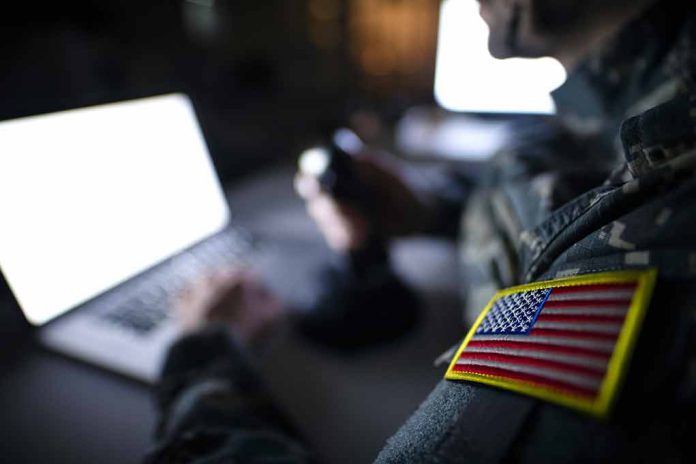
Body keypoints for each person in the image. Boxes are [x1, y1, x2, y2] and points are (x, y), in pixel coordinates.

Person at [144, 0, 696, 462]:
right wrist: (435, 211)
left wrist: (202, 359)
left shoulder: (663, 231)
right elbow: (596, 169)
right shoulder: (648, 94)